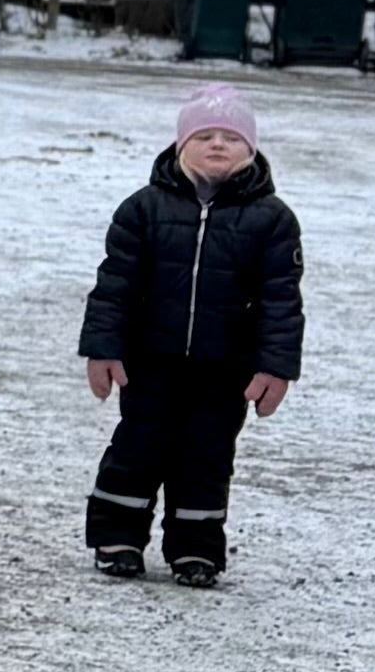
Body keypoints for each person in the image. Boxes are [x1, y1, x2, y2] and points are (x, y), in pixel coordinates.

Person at [80, 80, 302, 586]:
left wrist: (276, 367)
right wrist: (103, 349)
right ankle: (117, 538)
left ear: (251, 149)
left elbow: (281, 302)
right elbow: (113, 286)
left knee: (206, 459)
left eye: (231, 136)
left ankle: (195, 550)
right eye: (205, 136)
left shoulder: (272, 220)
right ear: (181, 146)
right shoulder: (143, 209)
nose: (218, 144)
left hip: (226, 371)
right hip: (149, 362)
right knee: (137, 448)